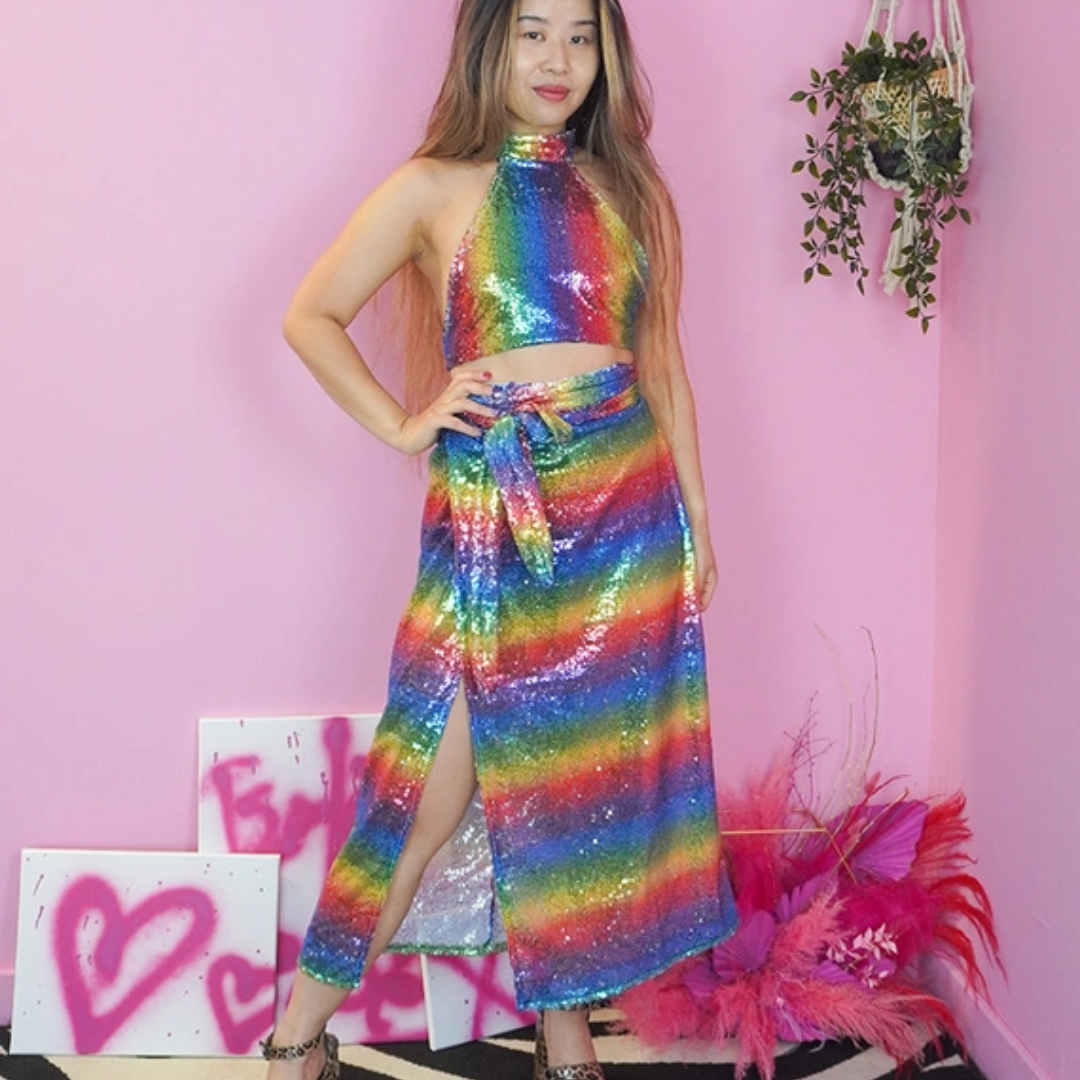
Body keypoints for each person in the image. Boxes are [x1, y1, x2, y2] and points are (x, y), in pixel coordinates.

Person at [262, 1, 738, 1077]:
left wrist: (699, 523)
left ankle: (564, 1040)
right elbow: (309, 315)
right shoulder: (433, 187)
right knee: (422, 794)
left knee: (579, 780)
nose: (558, 58)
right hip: (493, 521)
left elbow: (663, 365)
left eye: (581, 34)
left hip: (625, 525)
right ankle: (294, 1040)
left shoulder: (632, 190)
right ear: (491, 44)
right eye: (533, 31)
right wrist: (404, 423)